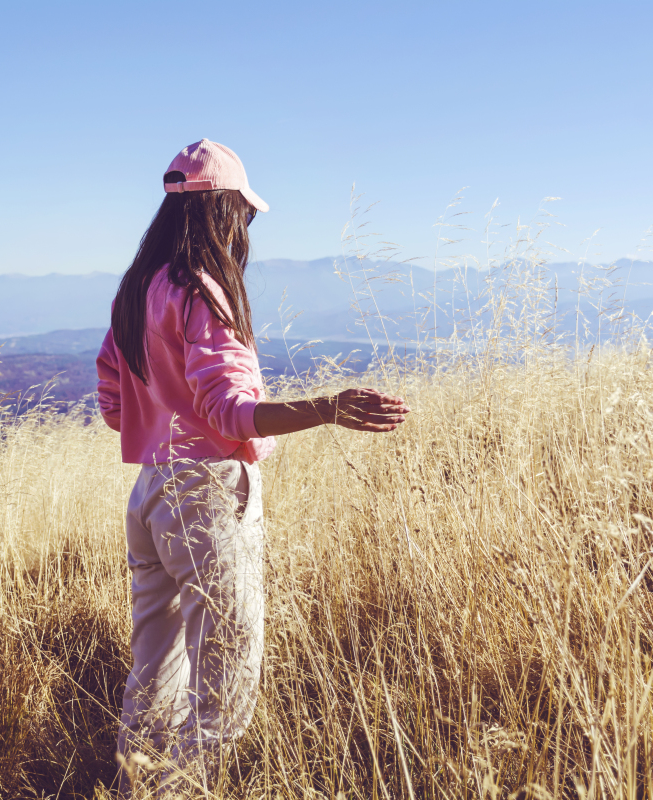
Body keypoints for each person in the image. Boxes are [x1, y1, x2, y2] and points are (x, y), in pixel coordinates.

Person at [96, 139, 409, 796]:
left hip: (150, 491)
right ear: (223, 210)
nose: (247, 229)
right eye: (245, 213)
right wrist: (328, 407)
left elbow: (113, 403)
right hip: (208, 496)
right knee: (226, 689)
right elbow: (231, 412)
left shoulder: (137, 289)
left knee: (154, 672)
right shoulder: (203, 290)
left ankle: (135, 790)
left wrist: (165, 418)